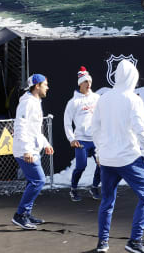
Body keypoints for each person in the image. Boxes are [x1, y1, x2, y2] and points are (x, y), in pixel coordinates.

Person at [90, 60, 144, 253]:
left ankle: (102, 243)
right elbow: (141, 129)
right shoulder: (133, 99)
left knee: (107, 201)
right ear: (132, 77)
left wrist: (99, 152)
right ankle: (135, 241)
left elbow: (95, 129)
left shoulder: (103, 98)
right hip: (129, 158)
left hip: (107, 160)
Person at [11, 74, 54, 230]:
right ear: (37, 86)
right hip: (25, 151)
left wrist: (46, 143)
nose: (47, 87)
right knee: (39, 180)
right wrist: (26, 151)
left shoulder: (35, 102)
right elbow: (20, 127)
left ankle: (26, 214)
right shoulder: (27, 103)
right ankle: (20, 215)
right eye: (45, 84)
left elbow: (35, 130)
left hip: (31, 149)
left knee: (33, 181)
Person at [64, 67, 101, 202]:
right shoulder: (73, 102)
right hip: (81, 139)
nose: (88, 84)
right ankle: (73, 189)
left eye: (89, 81)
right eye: (85, 81)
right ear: (80, 83)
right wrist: (71, 138)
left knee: (102, 164)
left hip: (96, 139)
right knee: (81, 166)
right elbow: (67, 122)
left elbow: (103, 116)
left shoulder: (97, 98)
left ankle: (95, 187)